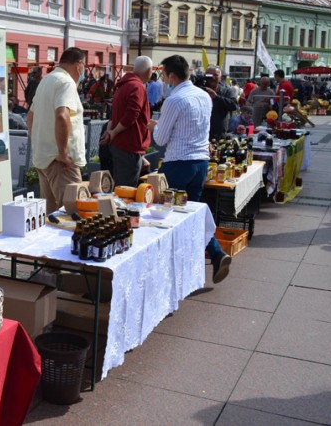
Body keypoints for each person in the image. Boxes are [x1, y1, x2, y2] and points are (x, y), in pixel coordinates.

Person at [148, 55, 231, 284]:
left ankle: (172, 267)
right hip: (200, 162)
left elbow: (162, 139)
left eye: (164, 75)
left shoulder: (174, 100)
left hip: (179, 162)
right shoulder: (204, 95)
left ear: (172, 76)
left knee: (169, 215)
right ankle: (213, 254)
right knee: (191, 214)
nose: (164, 80)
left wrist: (154, 127)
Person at [28, 47, 87, 215]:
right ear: (79, 65)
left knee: (52, 217)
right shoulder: (66, 82)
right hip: (61, 163)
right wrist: (62, 152)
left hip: (45, 158)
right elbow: (62, 115)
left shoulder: (46, 81)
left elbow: (30, 115)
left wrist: (38, 142)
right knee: (72, 213)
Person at [100, 56, 152, 187]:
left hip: (121, 144)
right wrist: (112, 132)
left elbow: (115, 115)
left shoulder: (123, 85)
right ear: (149, 71)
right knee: (126, 190)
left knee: (120, 187)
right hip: (130, 145)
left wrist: (110, 132)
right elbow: (131, 116)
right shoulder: (137, 87)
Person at [203, 66, 239, 139]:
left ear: (220, 77)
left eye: (216, 75)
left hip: (219, 131)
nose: (213, 78)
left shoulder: (227, 90)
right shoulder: (199, 89)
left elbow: (234, 105)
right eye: (209, 75)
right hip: (201, 131)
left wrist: (216, 97)